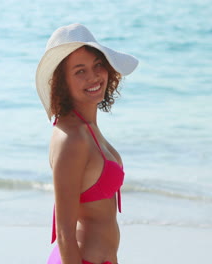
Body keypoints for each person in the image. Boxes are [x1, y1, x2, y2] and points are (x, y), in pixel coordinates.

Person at [35, 24, 138, 264]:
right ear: (62, 82)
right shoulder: (72, 139)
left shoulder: (86, 127)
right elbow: (64, 233)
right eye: (80, 71)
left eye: (97, 65)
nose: (93, 76)